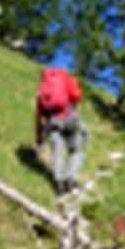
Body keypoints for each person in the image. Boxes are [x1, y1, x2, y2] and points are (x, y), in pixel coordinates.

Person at [35, 66, 87, 194]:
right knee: (76, 150)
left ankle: (59, 183)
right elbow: (77, 96)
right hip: (69, 119)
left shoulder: (43, 89)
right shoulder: (67, 78)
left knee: (57, 153)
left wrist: (39, 138)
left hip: (52, 124)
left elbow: (39, 116)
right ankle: (71, 178)